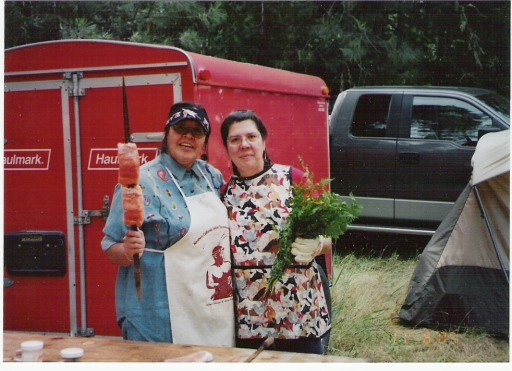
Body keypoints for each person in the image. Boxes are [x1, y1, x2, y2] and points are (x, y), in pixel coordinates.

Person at [102, 102, 235, 347]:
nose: (188, 136)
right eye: (180, 128)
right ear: (167, 133)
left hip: (206, 309)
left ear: (204, 141)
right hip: (156, 314)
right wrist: (129, 251)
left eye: (197, 132)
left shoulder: (212, 176)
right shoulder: (139, 182)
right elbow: (111, 247)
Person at [220, 109, 332, 354]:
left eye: (251, 136)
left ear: (263, 140)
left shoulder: (293, 179)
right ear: (226, 148)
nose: (244, 145)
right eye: (235, 140)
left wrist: (318, 244)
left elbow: (328, 238)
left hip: (300, 312)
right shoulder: (222, 195)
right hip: (250, 320)